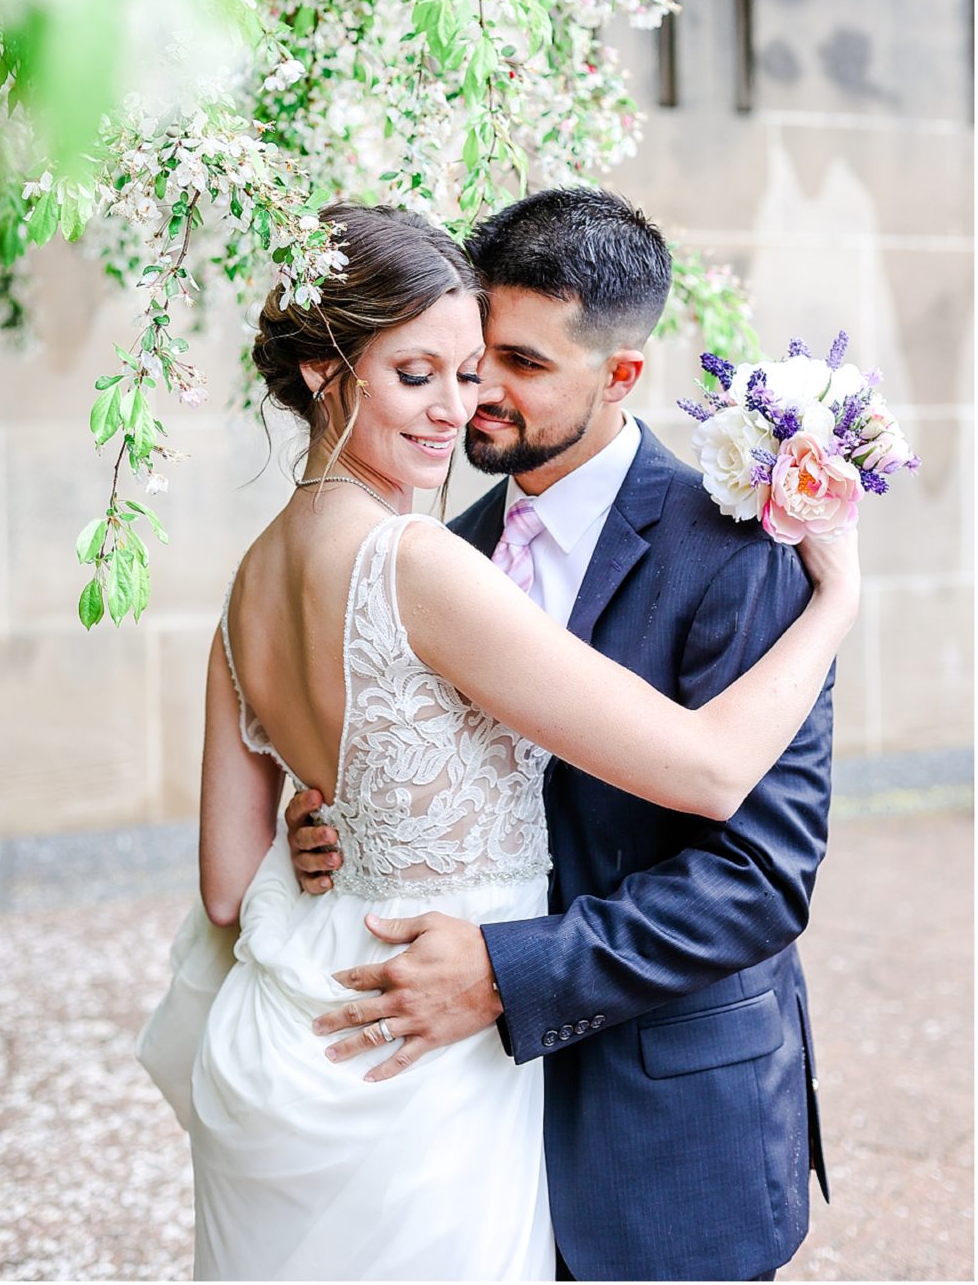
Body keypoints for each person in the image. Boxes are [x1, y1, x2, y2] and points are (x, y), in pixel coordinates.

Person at [138, 201, 857, 1283]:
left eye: (500, 363)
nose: (468, 399)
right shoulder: (436, 551)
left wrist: (502, 966)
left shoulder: (737, 546)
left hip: (649, 1122)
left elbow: (759, 872)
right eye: (432, 369)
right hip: (428, 1084)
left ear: (619, 377)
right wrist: (343, 814)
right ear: (334, 371)